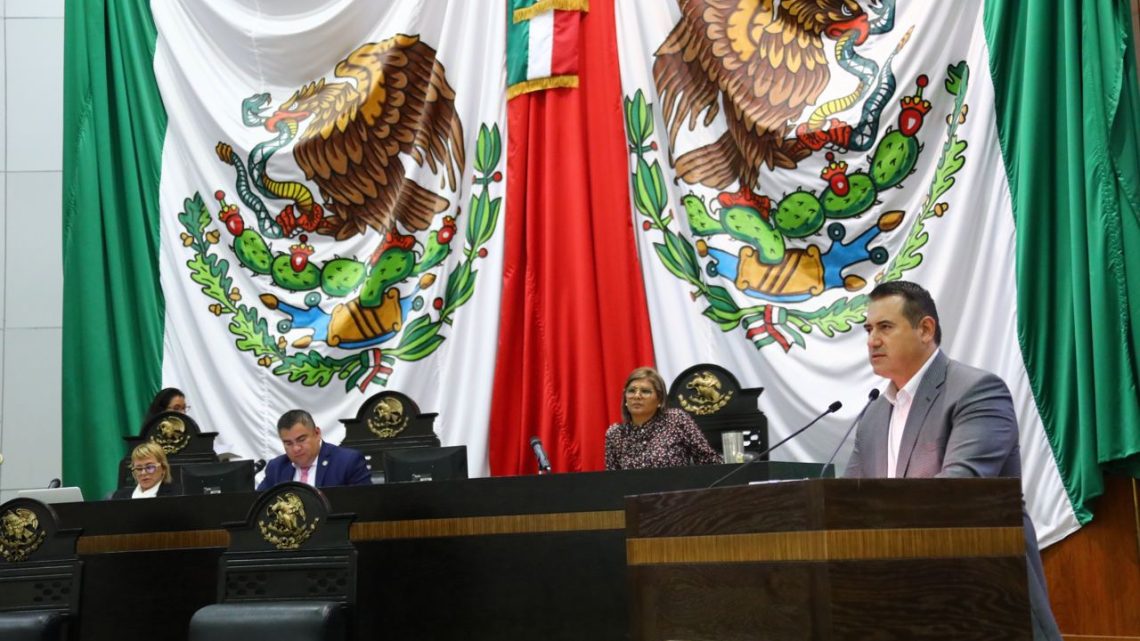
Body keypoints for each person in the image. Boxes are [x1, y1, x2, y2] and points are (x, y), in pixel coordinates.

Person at [844, 280, 1061, 641]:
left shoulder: (976, 391)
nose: (872, 341)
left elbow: (958, 491)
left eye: (885, 327)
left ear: (925, 329)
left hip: (983, 599)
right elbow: (848, 503)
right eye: (868, 329)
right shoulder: (873, 417)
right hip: (901, 603)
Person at [604, 366, 721, 470]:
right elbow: (613, 481)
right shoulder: (615, 433)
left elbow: (710, 461)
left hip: (676, 492)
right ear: (625, 398)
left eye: (645, 391)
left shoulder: (676, 420)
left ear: (659, 400)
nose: (637, 396)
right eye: (631, 391)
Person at [257, 409, 372, 490]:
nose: (296, 448)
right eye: (288, 443)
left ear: (317, 433)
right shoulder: (276, 468)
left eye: (301, 439)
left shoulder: (347, 462)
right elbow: (259, 507)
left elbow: (364, 507)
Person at [112, 441, 181, 499]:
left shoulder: (178, 495)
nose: (143, 473)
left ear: (163, 468)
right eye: (139, 468)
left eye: (150, 467)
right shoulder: (119, 496)